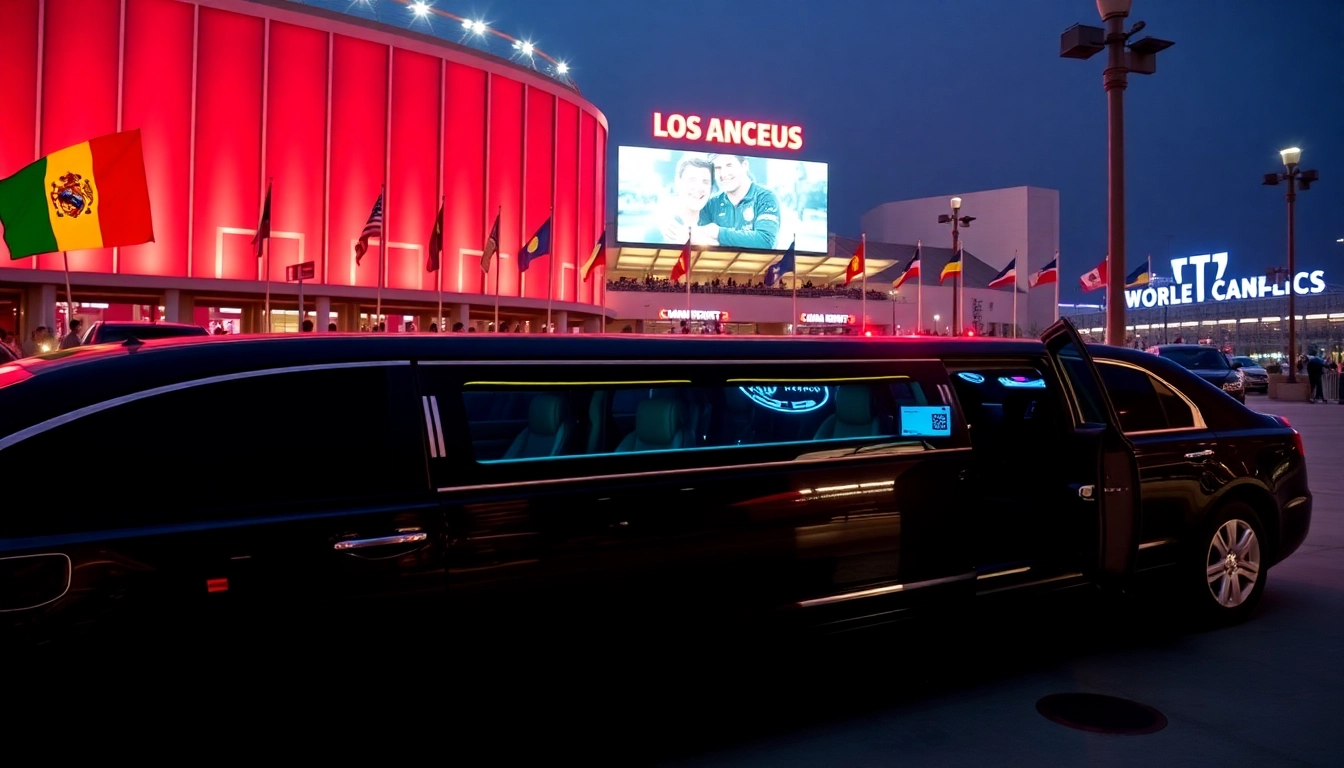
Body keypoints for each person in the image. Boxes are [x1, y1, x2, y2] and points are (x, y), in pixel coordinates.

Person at [693, 153, 781, 249]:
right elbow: (704, 245)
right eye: (717, 168)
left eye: (729, 165)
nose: (723, 174)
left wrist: (718, 233)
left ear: (745, 166)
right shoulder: (710, 204)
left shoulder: (765, 197)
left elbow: (765, 241)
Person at [650, 154, 714, 244]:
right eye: (692, 180)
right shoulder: (657, 232)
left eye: (705, 182)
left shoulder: (717, 228)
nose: (699, 188)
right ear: (678, 182)